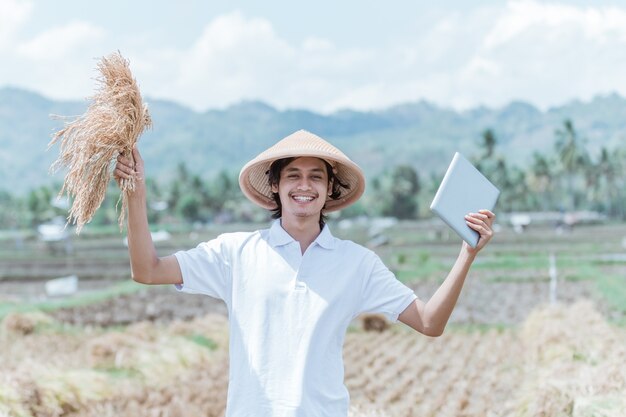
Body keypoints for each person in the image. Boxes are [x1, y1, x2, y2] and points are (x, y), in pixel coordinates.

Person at [114, 129, 495, 417]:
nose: (304, 185)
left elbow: (429, 322)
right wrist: (135, 193)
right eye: (293, 175)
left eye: (316, 176)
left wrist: (467, 254)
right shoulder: (236, 253)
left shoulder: (357, 263)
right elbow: (147, 270)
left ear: (330, 190)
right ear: (276, 186)